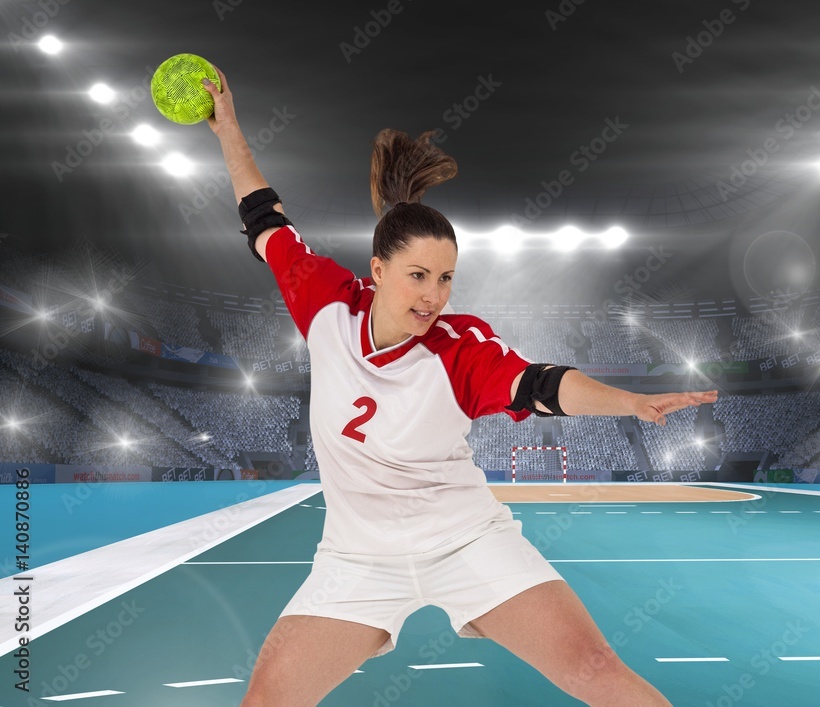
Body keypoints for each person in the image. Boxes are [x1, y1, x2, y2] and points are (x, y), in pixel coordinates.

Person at [201, 68, 718, 707]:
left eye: (446, 278)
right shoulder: (326, 304)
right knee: (268, 699)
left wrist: (628, 402)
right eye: (418, 275)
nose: (434, 295)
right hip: (357, 558)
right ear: (378, 269)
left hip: (465, 541)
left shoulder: (457, 349)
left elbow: (541, 384)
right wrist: (227, 126)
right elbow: (264, 219)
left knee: (594, 672)